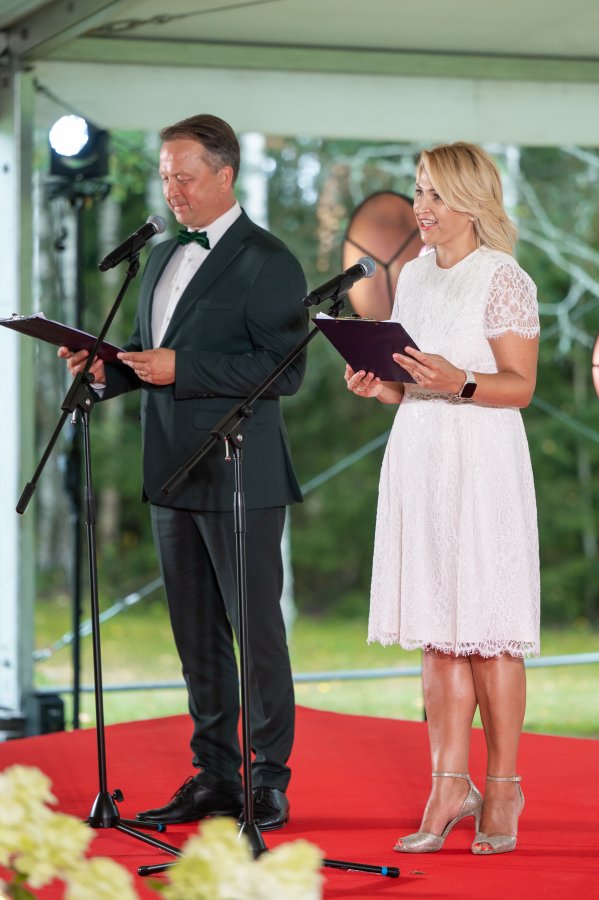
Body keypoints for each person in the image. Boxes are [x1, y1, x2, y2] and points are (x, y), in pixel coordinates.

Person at [59, 114, 308, 831]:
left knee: (255, 633)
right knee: (195, 636)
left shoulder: (268, 259)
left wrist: (185, 368)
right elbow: (148, 353)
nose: (172, 190)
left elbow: (285, 370)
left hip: (240, 472)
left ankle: (268, 781)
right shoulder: (162, 255)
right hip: (170, 471)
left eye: (186, 177)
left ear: (224, 176)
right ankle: (215, 777)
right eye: (166, 176)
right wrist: (105, 371)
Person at [345, 142, 540, 855]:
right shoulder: (414, 276)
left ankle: (504, 786)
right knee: (438, 632)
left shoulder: (503, 277)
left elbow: (520, 386)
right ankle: (448, 784)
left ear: (472, 200)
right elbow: (412, 385)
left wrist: (459, 379)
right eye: (418, 191)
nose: (420, 207)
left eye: (434, 193)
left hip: (482, 461)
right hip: (419, 456)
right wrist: (381, 385)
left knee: (489, 630)